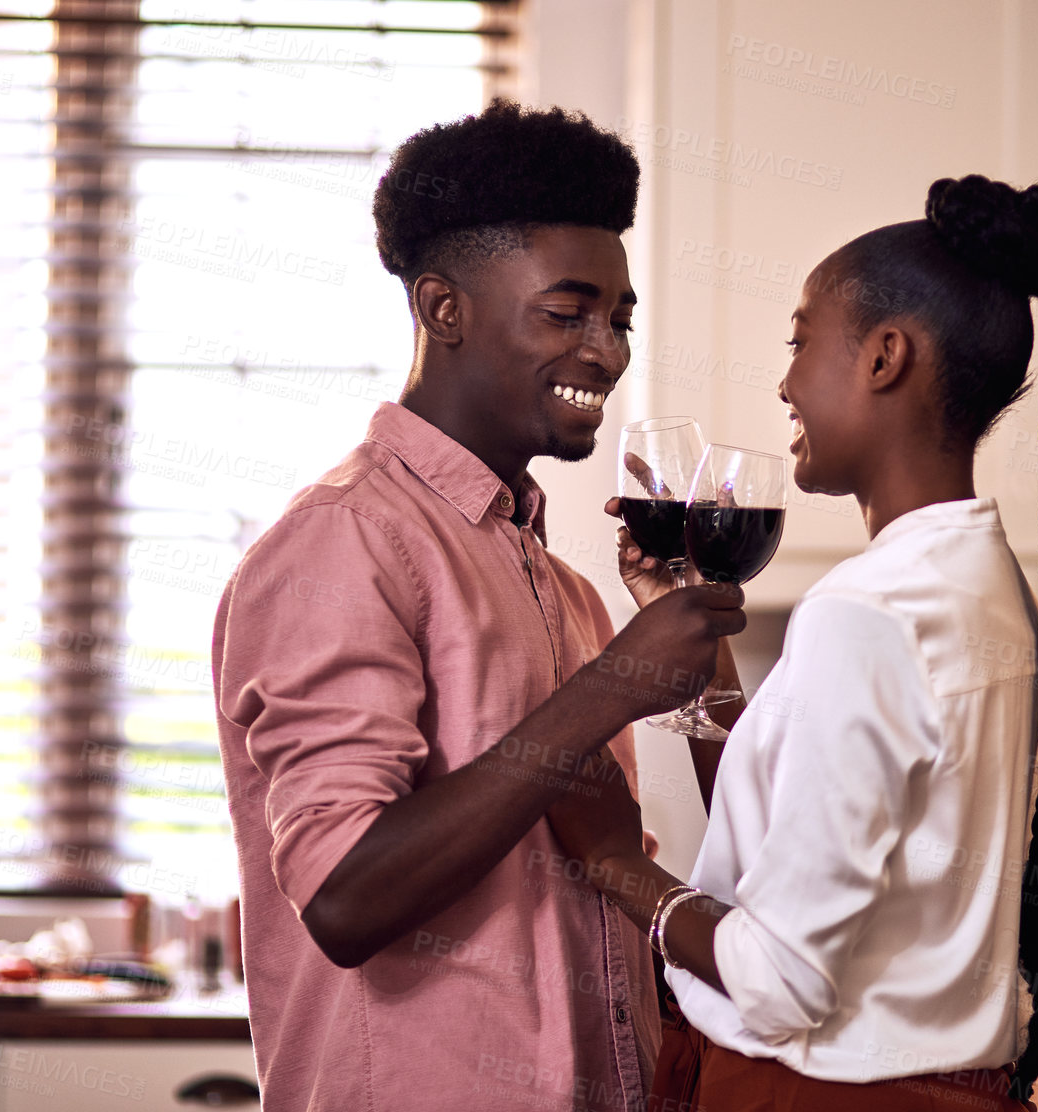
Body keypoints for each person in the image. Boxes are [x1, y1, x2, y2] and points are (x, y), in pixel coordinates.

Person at [211, 101, 747, 1112]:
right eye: (567, 311)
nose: (606, 351)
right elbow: (344, 896)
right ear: (443, 307)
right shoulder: (342, 543)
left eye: (620, 319)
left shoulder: (568, 585)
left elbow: (604, 873)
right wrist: (615, 684)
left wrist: (691, 662)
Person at [547, 173, 1038, 1111]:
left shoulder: (869, 608)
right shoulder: (977, 581)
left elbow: (775, 981)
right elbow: (792, 838)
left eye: (800, 340)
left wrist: (615, 866)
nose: (784, 381)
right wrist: (698, 624)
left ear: (885, 356)